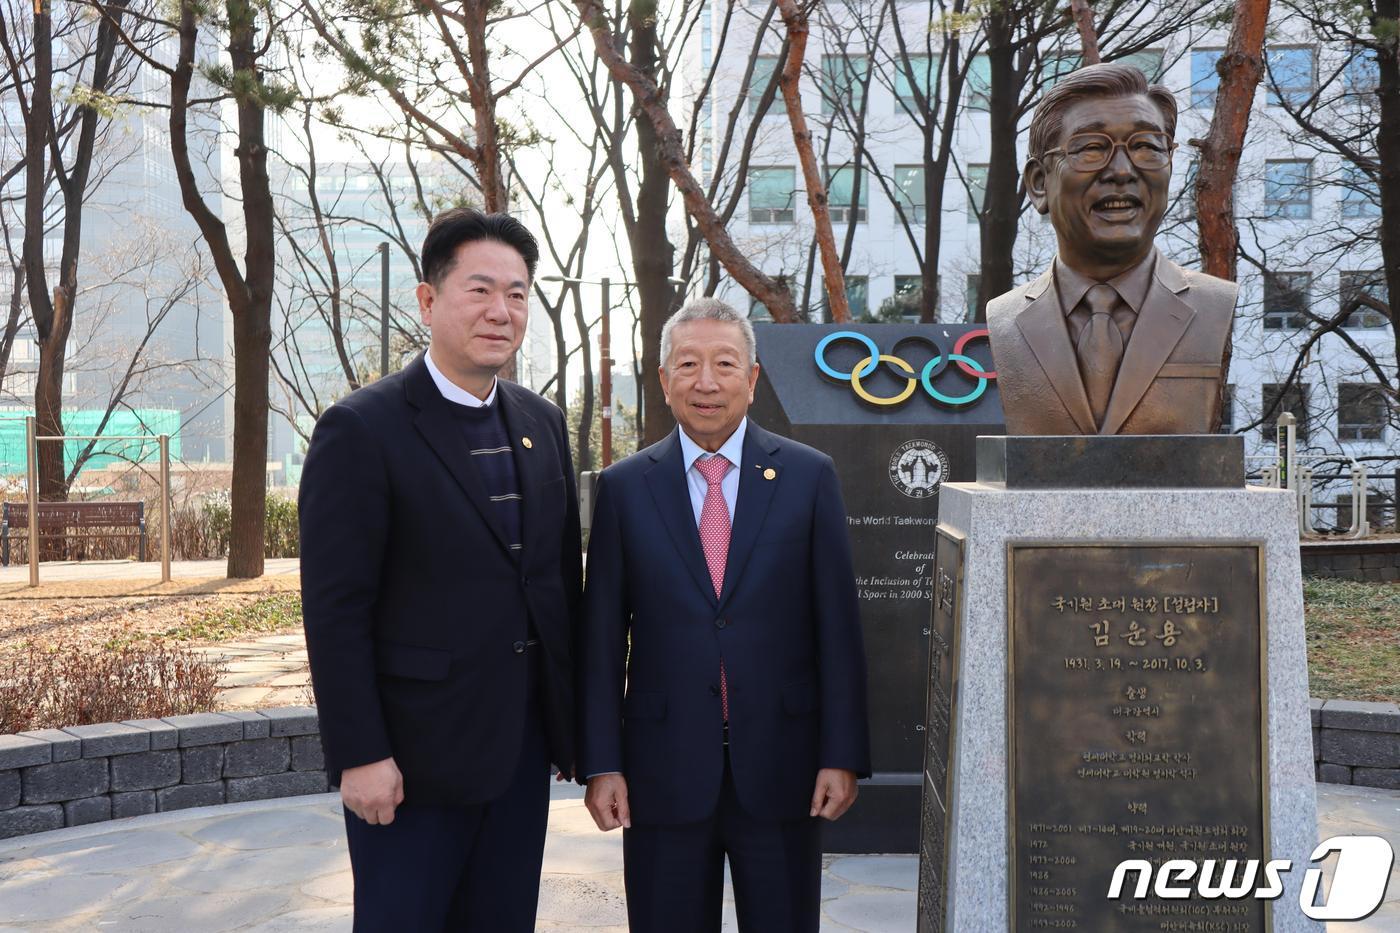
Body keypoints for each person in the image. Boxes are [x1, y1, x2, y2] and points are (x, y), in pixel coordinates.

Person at [298, 208, 581, 931]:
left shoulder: (541, 422)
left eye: (517, 293)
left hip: (518, 757)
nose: (501, 311)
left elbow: (552, 585)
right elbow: (336, 609)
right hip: (411, 762)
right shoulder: (363, 429)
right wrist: (360, 754)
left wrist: (570, 729)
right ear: (429, 301)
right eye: (480, 289)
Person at [578, 298, 871, 932]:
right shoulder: (626, 488)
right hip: (661, 772)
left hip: (784, 768)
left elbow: (838, 630)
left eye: (724, 363)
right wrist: (602, 762)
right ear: (663, 379)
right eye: (688, 364)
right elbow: (601, 640)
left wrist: (841, 753)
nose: (706, 382)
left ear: (753, 377)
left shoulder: (807, 476)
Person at [986, 62, 1237, 436]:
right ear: (1039, 184)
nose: (1122, 170)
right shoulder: (1005, 321)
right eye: (1091, 148)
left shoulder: (1212, 306)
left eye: (1146, 146)